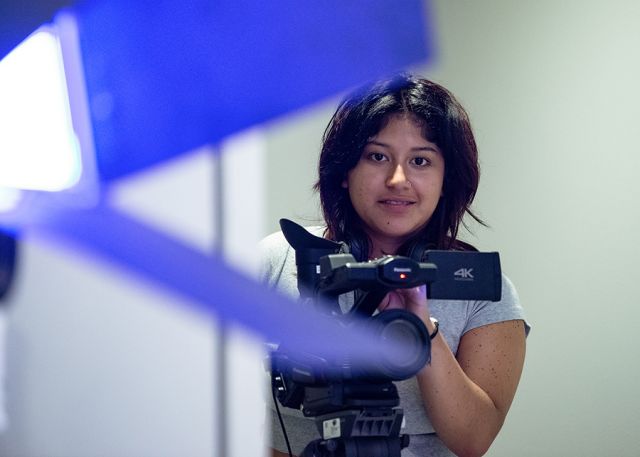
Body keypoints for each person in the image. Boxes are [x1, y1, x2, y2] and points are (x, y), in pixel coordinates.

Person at [260, 73, 530, 457]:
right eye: (377, 156)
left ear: (445, 180)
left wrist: (419, 330)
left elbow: (473, 439)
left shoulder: (480, 286)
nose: (398, 179)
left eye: (420, 161)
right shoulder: (281, 258)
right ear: (344, 172)